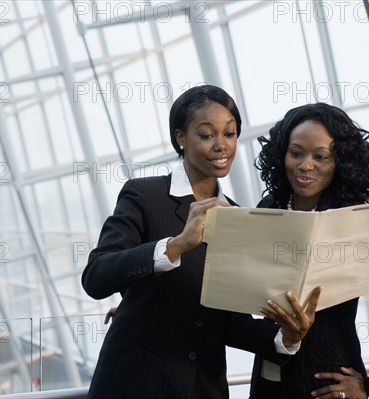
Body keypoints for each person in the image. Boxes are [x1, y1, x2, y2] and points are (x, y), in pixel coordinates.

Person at [82, 85, 322, 399]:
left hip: (203, 388)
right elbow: (97, 277)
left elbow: (230, 321)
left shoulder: (237, 216)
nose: (221, 146)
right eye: (207, 135)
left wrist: (287, 337)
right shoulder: (145, 195)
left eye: (230, 134)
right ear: (181, 138)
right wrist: (178, 244)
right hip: (135, 382)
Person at [250, 103, 369, 399]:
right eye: (296, 153)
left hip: (325, 386)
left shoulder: (355, 224)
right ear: (282, 153)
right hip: (266, 383)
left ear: (340, 161)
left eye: (320, 156)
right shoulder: (269, 208)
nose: (306, 165)